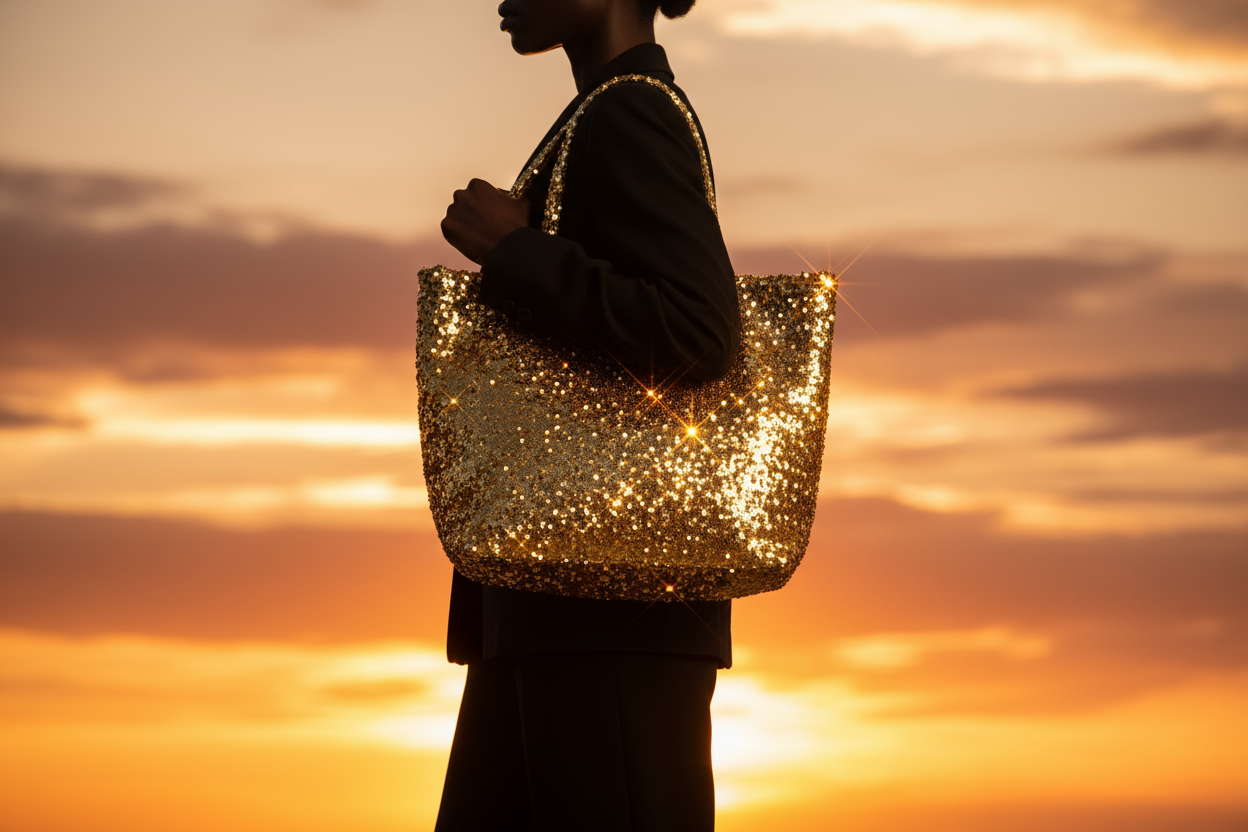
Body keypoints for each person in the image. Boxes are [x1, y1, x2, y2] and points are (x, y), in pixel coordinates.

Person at [436, 1, 739, 828]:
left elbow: (699, 329)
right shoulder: (597, 116)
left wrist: (516, 253)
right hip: (552, 604)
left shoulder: (630, 110)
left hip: (608, 613)